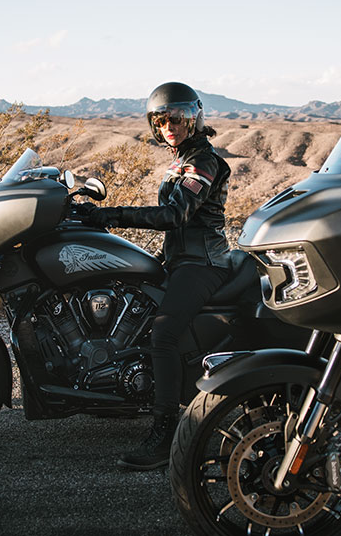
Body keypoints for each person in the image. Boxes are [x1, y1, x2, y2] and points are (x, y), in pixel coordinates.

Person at [79, 81, 232, 470]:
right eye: (161, 121)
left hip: (204, 264)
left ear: (193, 119)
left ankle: (166, 434)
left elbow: (174, 215)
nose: (169, 127)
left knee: (162, 334)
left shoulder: (203, 161)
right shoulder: (180, 159)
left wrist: (112, 215)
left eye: (176, 119)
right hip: (179, 260)